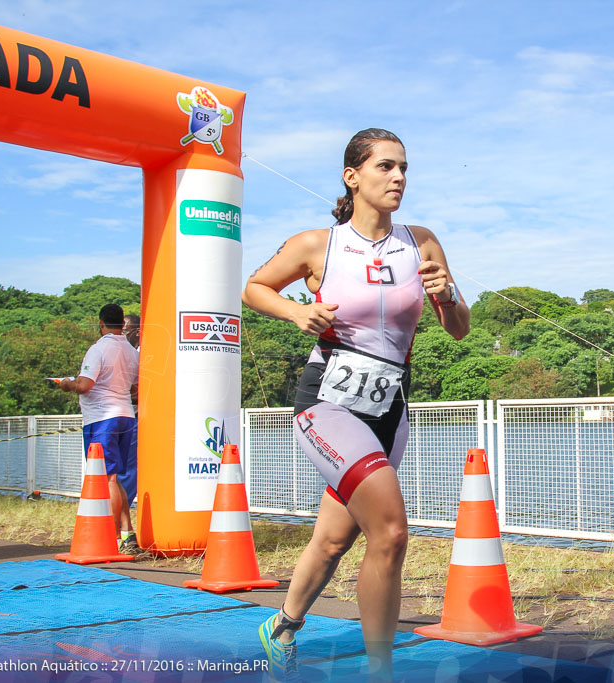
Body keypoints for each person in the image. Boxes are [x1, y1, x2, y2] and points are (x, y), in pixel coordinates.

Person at [242, 128, 469, 681]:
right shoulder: (317, 244)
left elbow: (460, 331)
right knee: (390, 531)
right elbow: (253, 287)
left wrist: (449, 295)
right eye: (386, 167)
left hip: (390, 407)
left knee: (334, 537)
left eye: (404, 169)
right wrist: (297, 313)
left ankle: (281, 625)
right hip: (328, 403)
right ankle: (380, 671)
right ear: (353, 176)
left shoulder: (423, 242)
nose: (398, 178)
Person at [58, 304, 140, 555]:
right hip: (126, 416)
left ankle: (112, 537)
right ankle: (127, 533)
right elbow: (136, 389)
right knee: (116, 479)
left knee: (108, 479)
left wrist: (66, 384)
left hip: (102, 418)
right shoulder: (131, 351)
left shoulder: (98, 349)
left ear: (101, 323)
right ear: (122, 325)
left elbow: (84, 385)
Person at [118, 313, 140, 507]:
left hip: (135, 420)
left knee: (127, 471)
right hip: (117, 418)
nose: (119, 334)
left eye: (124, 330)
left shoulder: (144, 356)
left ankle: (119, 522)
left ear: (137, 333)